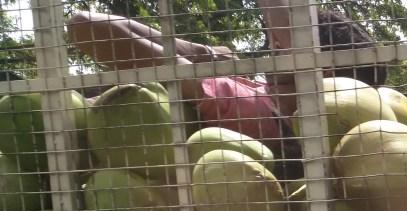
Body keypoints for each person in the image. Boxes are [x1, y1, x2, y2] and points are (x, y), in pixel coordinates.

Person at [67, 4, 384, 161]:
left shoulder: (255, 112)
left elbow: (86, 27)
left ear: (321, 73)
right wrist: (209, 56)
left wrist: (201, 55)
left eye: (282, 46)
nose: (273, 50)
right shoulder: (264, 99)